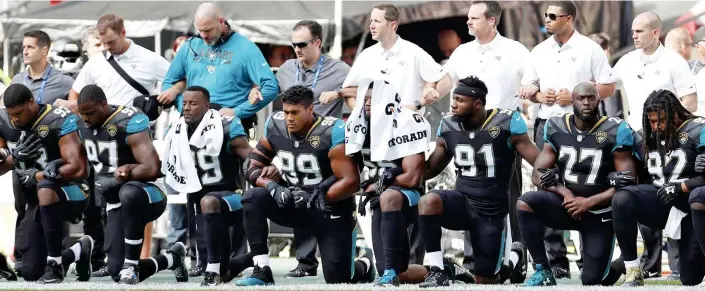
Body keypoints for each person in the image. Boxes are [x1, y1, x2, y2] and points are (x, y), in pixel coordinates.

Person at [234, 85, 375, 286]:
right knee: (253, 197)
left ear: (310, 110)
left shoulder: (331, 131)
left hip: (329, 208)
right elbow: (251, 164)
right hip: (294, 201)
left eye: (295, 112)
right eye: (286, 112)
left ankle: (365, 264)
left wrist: (311, 199)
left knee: (339, 278)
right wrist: (271, 186)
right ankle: (261, 268)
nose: (289, 118)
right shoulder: (276, 124)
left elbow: (351, 182)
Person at [519, 1, 616, 277]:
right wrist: (540, 95)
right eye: (545, 16)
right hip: (547, 125)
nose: (546, 20)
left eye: (552, 16)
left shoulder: (589, 48)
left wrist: (574, 94)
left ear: (569, 18)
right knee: (546, 185)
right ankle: (556, 260)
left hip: (585, 129)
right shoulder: (539, 50)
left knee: (585, 185)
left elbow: (608, 87)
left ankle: (589, 254)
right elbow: (528, 87)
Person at [434, 2, 531, 274]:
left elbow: (534, 80)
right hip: (466, 136)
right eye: (468, 17)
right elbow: (445, 81)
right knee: (467, 195)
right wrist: (430, 94)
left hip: (503, 137)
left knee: (508, 199)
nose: (468, 22)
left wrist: (530, 89)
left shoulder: (515, 50)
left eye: (474, 18)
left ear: (492, 20)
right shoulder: (463, 51)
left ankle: (514, 258)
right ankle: (472, 261)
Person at [420, 76, 539, 287]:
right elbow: (429, 169)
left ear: (477, 103)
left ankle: (514, 258)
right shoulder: (448, 125)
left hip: (491, 210)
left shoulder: (506, 122)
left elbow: (538, 160)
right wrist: (403, 165)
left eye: (459, 99)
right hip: (462, 202)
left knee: (487, 280)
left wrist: (550, 174)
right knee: (429, 201)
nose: (453, 104)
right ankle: (438, 269)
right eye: (453, 99)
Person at [517, 82, 636, 286]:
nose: (586, 103)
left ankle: (620, 265)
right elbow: (537, 174)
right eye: (581, 98)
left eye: (591, 98)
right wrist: (565, 194)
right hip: (567, 206)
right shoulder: (556, 125)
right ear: (572, 101)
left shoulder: (616, 129)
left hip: (600, 212)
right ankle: (542, 269)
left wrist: (589, 202)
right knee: (525, 203)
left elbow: (628, 180)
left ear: (599, 100)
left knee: (592, 280)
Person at [161, 86, 279, 286]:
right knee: (224, 269)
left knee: (209, 203)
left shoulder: (225, 126)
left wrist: (267, 168)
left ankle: (211, 273)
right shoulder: (176, 130)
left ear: (207, 106)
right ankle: (245, 260)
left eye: (193, 103)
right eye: (185, 103)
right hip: (199, 201)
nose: (187, 108)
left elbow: (249, 155)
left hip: (231, 197)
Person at [75, 84, 188, 284]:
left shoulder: (128, 120)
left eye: (90, 113)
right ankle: (172, 258)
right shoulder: (81, 122)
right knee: (115, 272)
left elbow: (153, 167)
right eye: (82, 114)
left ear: (104, 104)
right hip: (116, 203)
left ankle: (130, 265)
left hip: (148, 193)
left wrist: (120, 177)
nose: (86, 119)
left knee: (128, 192)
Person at [0, 84, 93, 283]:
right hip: (35, 203)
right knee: (30, 272)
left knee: (45, 187)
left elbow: (79, 169)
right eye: (11, 115)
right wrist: (12, 159)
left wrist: (40, 176)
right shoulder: (3, 122)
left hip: (72, 191)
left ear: (32, 102)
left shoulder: (59, 119)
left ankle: (54, 267)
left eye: (19, 113)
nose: (15, 120)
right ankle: (78, 250)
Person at [612, 89, 705, 286]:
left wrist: (682, 186)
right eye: (652, 121)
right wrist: (612, 176)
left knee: (690, 279)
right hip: (661, 200)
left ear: (675, 114)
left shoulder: (698, 130)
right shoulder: (644, 136)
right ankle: (632, 269)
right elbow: (623, 170)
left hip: (692, 206)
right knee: (623, 198)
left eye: (661, 120)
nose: (656, 126)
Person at [161, 2, 278, 130]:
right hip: (193, 126)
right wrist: (184, 108)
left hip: (228, 126)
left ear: (221, 22)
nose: (204, 36)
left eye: (208, 30)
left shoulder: (246, 47)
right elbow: (168, 82)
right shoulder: (189, 46)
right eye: (200, 31)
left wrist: (237, 112)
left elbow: (271, 87)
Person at [341, 4, 445, 115]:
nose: (371, 26)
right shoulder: (365, 55)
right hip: (372, 128)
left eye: (377, 21)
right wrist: (360, 113)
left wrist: (417, 104)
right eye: (371, 21)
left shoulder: (413, 52)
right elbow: (348, 91)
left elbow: (441, 78)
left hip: (407, 127)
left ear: (393, 25)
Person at [65, 14, 172, 110]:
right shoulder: (95, 62)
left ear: (123, 33)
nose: (106, 47)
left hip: (137, 129)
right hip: (102, 129)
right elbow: (75, 93)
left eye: (111, 42)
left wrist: (173, 91)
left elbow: (180, 79)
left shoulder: (150, 59)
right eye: (103, 42)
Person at [612, 12, 697, 131]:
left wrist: (664, 120)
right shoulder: (626, 61)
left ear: (655, 33)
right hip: (636, 137)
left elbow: (691, 104)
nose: (634, 36)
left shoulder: (675, 61)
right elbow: (605, 85)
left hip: (669, 137)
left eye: (639, 31)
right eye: (633, 31)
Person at [10, 30, 74, 105]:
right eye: (24, 47)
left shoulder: (63, 80)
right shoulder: (17, 80)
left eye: (30, 47)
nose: (25, 52)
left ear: (44, 50)